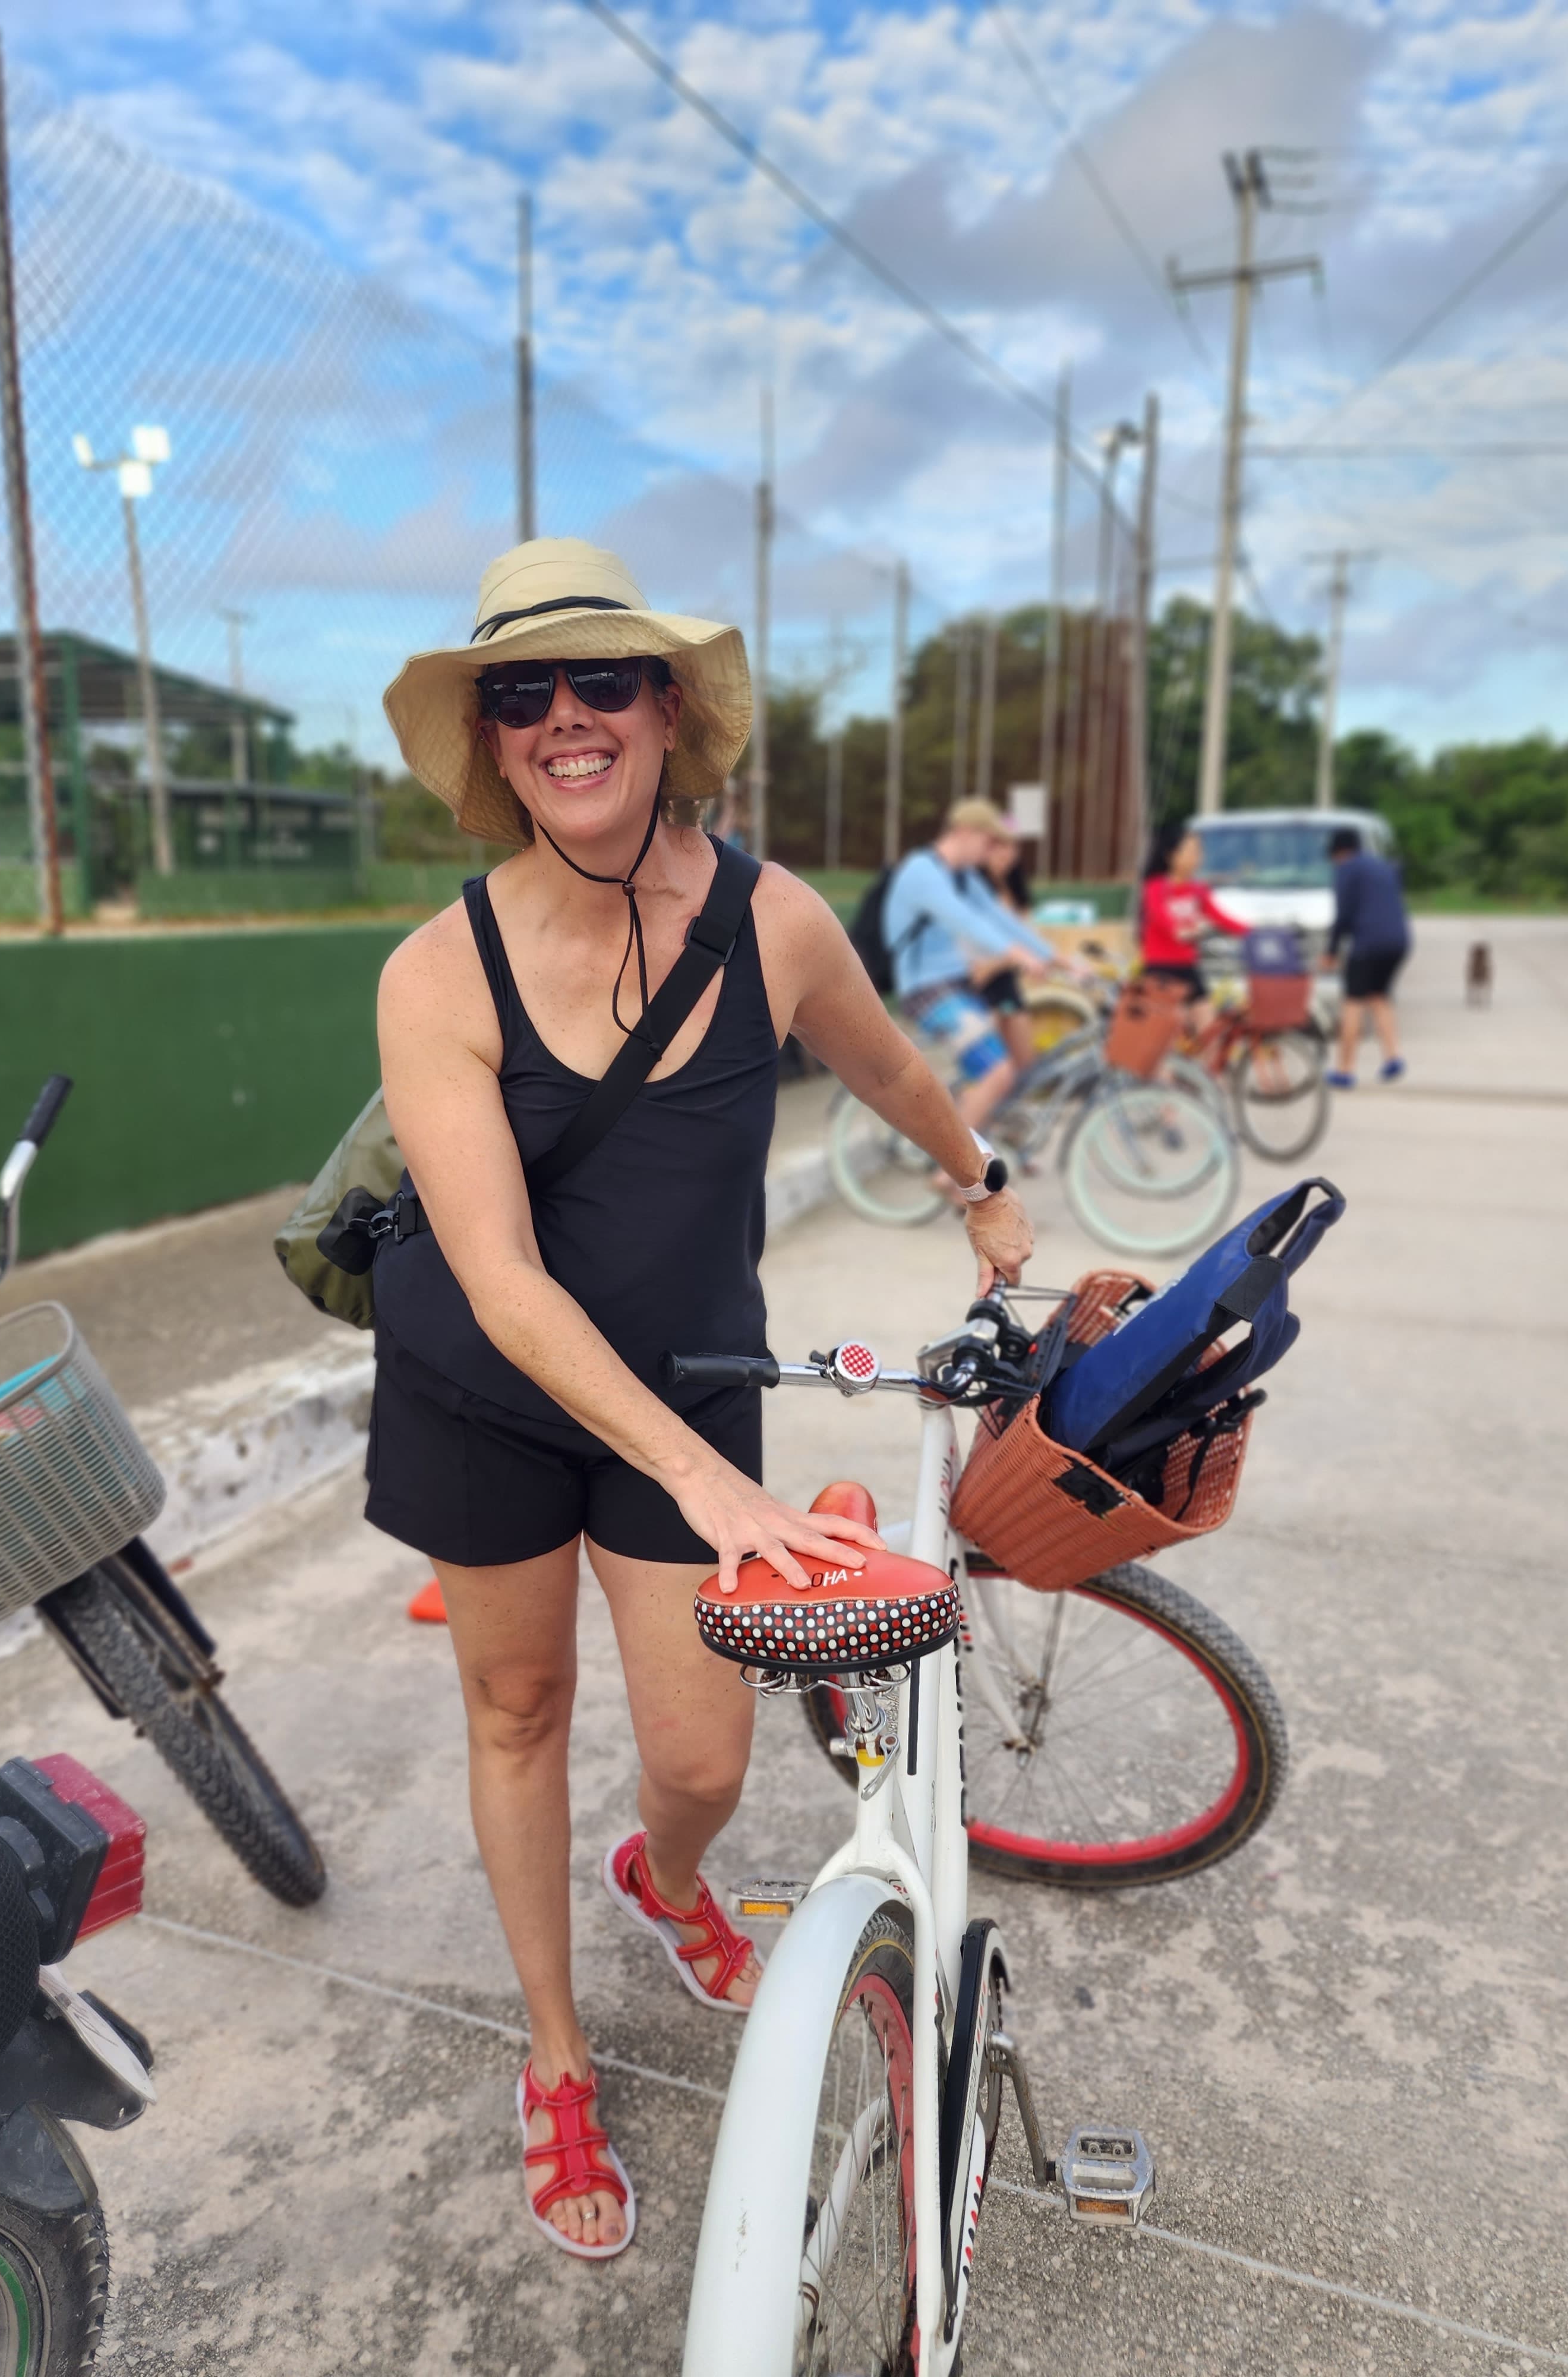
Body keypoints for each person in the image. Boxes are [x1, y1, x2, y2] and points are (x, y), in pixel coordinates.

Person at [373, 540, 1034, 2261]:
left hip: (687, 1390)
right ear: (494, 740)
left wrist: (980, 1174)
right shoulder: (437, 973)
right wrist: (717, 1489)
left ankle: (661, 1883)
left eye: (605, 683)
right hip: (486, 1391)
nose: (568, 721)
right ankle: (558, 2054)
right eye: (525, 693)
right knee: (516, 1713)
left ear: (669, 711)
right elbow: (506, 1285)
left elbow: (886, 1062)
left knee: (702, 1752)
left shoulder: (777, 920)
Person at [882, 797, 1064, 1140]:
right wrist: (1020, 956)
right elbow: (965, 921)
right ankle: (953, 1175)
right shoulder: (922, 870)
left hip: (958, 985)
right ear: (965, 832)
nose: (992, 852)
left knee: (1001, 1070)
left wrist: (1058, 959)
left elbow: (997, 918)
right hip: (928, 989)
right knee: (998, 1071)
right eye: (989, 841)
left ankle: (979, 1143)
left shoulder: (963, 876)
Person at [1321, 825, 1411, 1086]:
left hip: (1369, 944)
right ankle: (1393, 1058)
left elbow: (1343, 916)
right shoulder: (1384, 866)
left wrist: (1331, 952)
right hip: (1400, 941)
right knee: (1379, 997)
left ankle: (1344, 1071)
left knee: (1353, 1003)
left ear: (1339, 852)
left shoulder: (1347, 869)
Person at [1138, 820, 1247, 1027]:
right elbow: (1161, 917)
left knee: (1208, 1023)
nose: (1197, 857)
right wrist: (1181, 932)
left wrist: (1253, 932)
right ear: (1172, 856)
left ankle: (1203, 1061)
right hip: (1161, 969)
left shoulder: (1198, 889)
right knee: (1168, 1029)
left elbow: (1221, 917)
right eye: (1190, 851)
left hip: (1188, 967)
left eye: (1199, 851)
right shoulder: (1155, 887)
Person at [975, 825, 1040, 1072]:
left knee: (1025, 1065)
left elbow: (1027, 937)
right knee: (991, 1071)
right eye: (998, 846)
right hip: (978, 984)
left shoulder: (1015, 889)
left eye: (1011, 846)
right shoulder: (971, 889)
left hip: (1005, 980)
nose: (1006, 853)